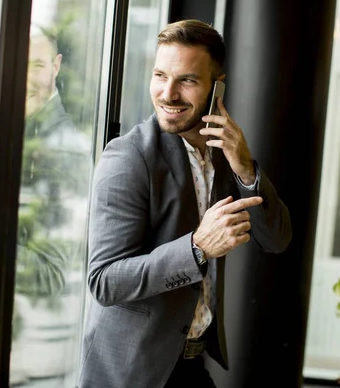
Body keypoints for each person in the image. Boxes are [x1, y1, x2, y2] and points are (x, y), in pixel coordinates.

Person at [77, 19, 292, 388]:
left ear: (216, 86)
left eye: (187, 81)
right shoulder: (128, 157)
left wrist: (245, 168)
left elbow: (276, 239)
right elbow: (104, 282)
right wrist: (197, 248)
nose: (168, 94)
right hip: (131, 374)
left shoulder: (226, 154)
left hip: (191, 366)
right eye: (160, 76)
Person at [15, 25, 88, 298]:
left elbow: (50, 274)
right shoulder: (18, 130)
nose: (24, 80)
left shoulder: (64, 151)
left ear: (56, 66)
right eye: (18, 66)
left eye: (36, 66)